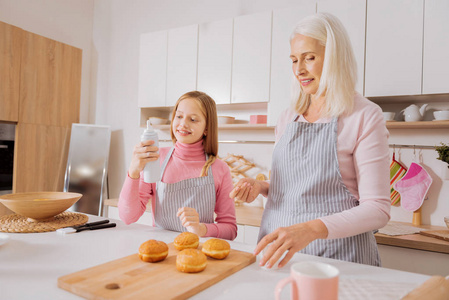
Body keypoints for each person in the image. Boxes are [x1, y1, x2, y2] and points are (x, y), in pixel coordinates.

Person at [230, 13, 390, 268]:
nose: (299, 70)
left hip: (339, 259)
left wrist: (310, 229)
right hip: (279, 255)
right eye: (294, 60)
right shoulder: (288, 117)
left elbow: (378, 209)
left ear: (335, 58)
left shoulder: (364, 116)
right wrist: (261, 187)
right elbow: (298, 188)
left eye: (309, 58)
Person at [119, 91, 237, 240]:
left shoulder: (219, 168)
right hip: (161, 251)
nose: (183, 124)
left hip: (198, 254)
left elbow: (230, 230)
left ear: (207, 128)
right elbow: (128, 217)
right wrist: (133, 171)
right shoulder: (156, 158)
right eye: (179, 116)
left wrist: (201, 229)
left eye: (193, 119)